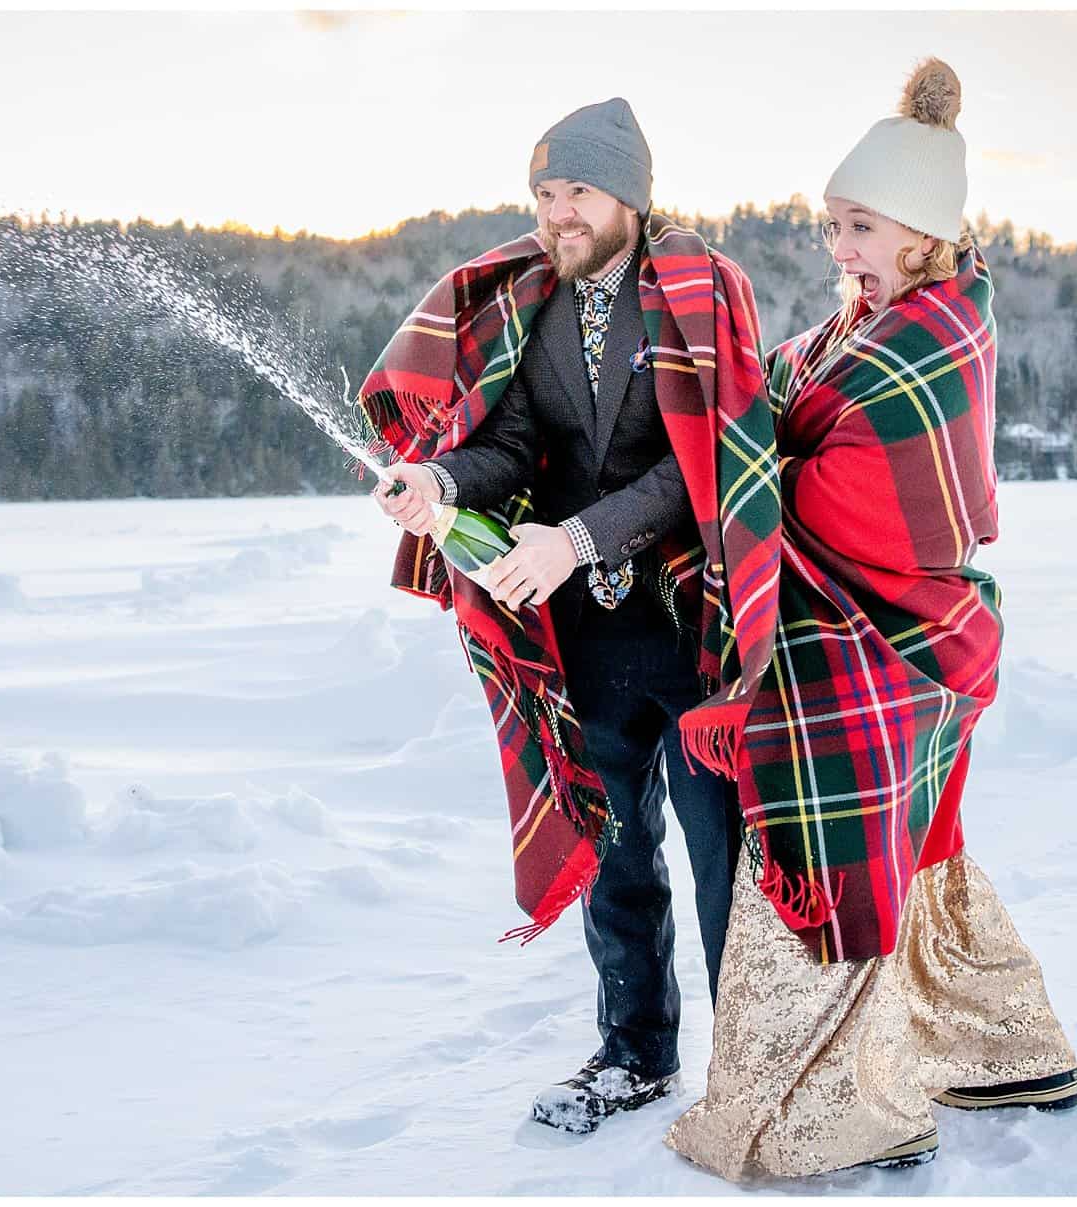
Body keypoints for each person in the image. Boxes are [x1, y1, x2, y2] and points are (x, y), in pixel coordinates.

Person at [663, 59, 1077, 1181]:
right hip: (876, 640)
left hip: (888, 641)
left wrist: (745, 470)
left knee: (827, 863)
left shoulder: (929, 343)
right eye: (831, 225)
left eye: (858, 225)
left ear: (922, 232)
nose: (838, 246)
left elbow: (871, 510)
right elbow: (781, 389)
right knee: (918, 854)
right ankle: (1004, 1051)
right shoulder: (872, 316)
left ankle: (837, 1118)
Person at [364, 98, 785, 1134]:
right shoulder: (528, 305)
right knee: (615, 855)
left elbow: (710, 472)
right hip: (581, 643)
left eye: (577, 193)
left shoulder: (698, 293)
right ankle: (634, 1053)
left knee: (724, 858)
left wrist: (579, 537)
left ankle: (760, 1073)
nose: (557, 214)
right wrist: (441, 483)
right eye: (545, 194)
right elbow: (508, 447)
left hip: (693, 632)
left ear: (629, 196)